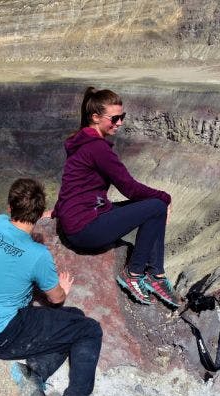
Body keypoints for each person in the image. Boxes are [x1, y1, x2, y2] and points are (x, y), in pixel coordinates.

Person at [0, 178, 119, 396]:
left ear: (9, 206)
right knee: (88, 330)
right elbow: (56, 299)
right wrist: (63, 288)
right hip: (7, 332)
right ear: (40, 214)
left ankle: (34, 375)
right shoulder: (37, 254)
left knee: (72, 319)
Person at [53, 87, 179, 308]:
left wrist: (56, 212)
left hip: (84, 218)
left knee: (153, 207)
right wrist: (166, 197)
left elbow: (72, 184)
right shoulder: (97, 148)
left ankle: (156, 274)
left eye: (123, 117)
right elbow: (129, 188)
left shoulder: (80, 142)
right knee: (157, 206)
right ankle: (134, 273)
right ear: (95, 117)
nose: (120, 122)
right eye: (115, 118)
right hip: (86, 230)